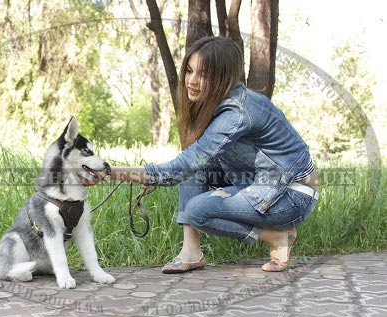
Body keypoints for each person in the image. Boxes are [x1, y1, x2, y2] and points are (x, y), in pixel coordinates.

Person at [110, 36, 319, 274]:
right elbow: (192, 163)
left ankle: (276, 237)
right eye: (189, 71)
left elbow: (180, 168)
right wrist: (144, 175)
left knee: (198, 210)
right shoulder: (219, 104)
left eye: (204, 74)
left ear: (224, 76)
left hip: (292, 196)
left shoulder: (237, 113)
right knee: (195, 169)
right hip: (265, 184)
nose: (192, 80)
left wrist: (113, 173)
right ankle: (190, 252)